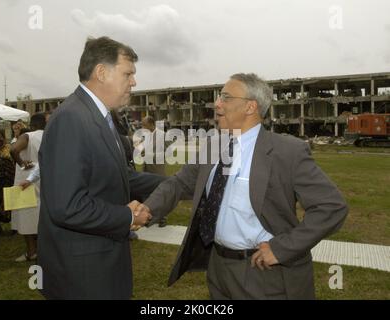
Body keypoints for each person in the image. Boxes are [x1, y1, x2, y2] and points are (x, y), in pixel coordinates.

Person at [143, 73, 348, 299]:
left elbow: (332, 207)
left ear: (250, 107)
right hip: (218, 268)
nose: (217, 104)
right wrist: (147, 210)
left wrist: (282, 249)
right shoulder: (213, 146)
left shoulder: (287, 152)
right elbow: (179, 183)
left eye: (225, 97)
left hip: (263, 274)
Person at [38, 36, 162, 300]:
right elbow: (67, 206)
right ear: (101, 72)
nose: (134, 82)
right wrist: (127, 217)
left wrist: (177, 184)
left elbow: (118, 177)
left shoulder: (99, 117)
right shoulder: (72, 119)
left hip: (101, 264)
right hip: (82, 276)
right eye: (128, 73)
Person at [10, 113, 46, 262]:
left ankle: (32, 252)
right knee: (42, 213)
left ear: (32, 125)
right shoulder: (51, 135)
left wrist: (21, 162)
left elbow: (13, 150)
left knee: (26, 213)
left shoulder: (28, 136)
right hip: (44, 177)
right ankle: (45, 250)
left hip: (27, 179)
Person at [139, 116, 167, 227]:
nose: (142, 127)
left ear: (151, 124)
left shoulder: (162, 135)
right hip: (146, 169)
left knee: (160, 194)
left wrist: (150, 155)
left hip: (157, 169)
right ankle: (149, 217)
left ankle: (163, 218)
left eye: (144, 125)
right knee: (148, 194)